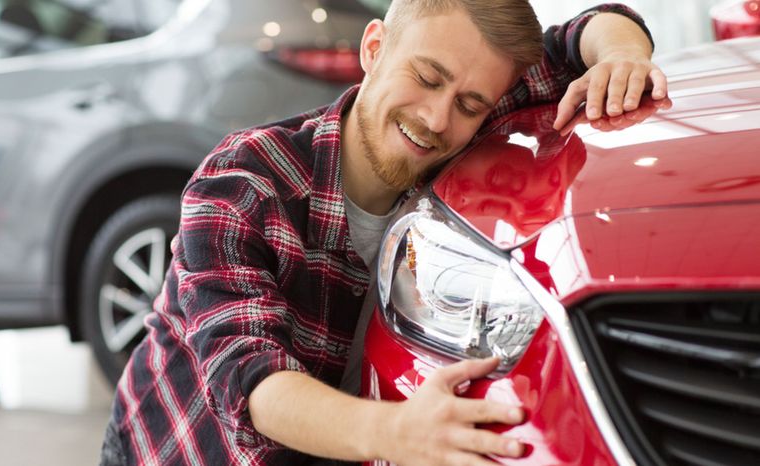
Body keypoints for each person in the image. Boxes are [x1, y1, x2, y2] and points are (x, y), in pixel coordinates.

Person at [100, 1, 668, 465]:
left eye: (470, 104)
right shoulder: (242, 182)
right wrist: (399, 431)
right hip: (176, 446)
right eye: (425, 78)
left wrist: (622, 57)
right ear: (374, 49)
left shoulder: (467, 116)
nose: (437, 119)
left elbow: (584, 34)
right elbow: (253, 382)